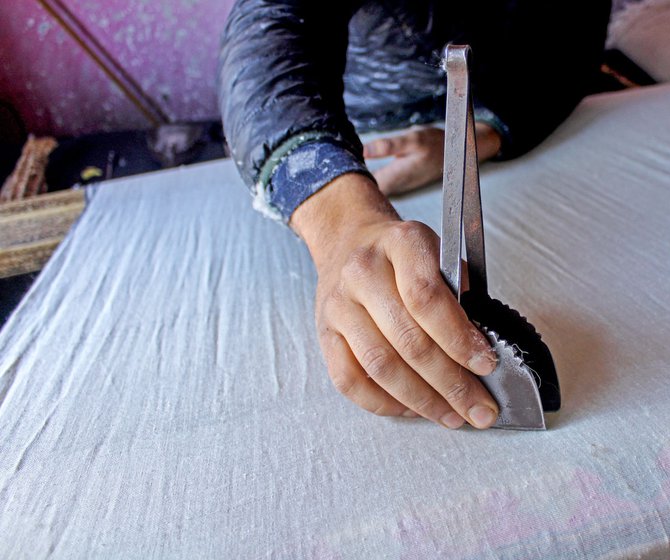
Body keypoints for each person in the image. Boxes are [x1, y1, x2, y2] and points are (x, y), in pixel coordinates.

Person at [219, 1, 611, 430]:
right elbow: (269, 34)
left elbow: (575, 41)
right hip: (356, 133)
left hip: (518, 112)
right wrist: (342, 218)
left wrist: (485, 134)